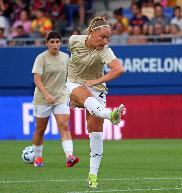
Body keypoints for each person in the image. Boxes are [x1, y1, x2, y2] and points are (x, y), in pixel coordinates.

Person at [66, 16, 125, 188]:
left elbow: (119, 69)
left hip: (96, 89)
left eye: (108, 38)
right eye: (102, 37)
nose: (105, 41)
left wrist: (96, 82)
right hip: (74, 83)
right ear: (92, 33)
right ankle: (110, 115)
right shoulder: (74, 41)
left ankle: (92, 176)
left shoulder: (105, 50)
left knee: (96, 135)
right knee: (82, 92)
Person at [32, 31, 80, 168]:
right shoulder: (41, 58)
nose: (55, 44)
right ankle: (38, 158)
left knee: (64, 126)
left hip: (60, 97)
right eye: (51, 42)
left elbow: (71, 78)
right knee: (40, 129)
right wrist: (46, 94)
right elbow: (37, 79)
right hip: (42, 98)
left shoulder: (66, 58)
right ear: (46, 43)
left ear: (60, 43)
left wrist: (72, 97)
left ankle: (70, 157)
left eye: (57, 42)